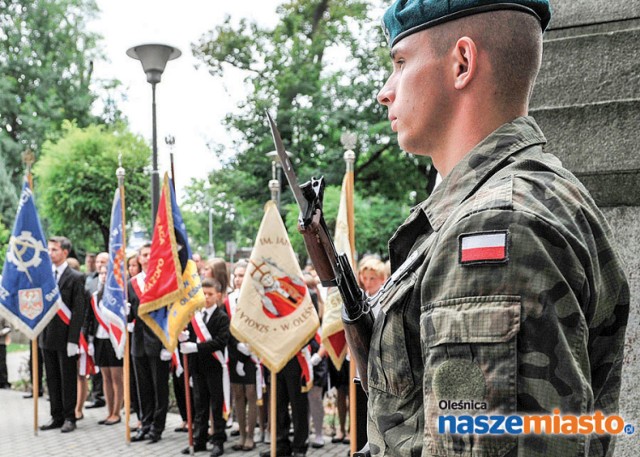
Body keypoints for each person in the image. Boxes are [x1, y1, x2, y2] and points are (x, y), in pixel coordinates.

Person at [363, 1, 630, 456]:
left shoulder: (492, 228)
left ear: (462, 63)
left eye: (401, 62)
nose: (385, 92)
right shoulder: (540, 191)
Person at [39, 236, 86, 433]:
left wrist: (73, 339)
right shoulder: (44, 276)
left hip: (66, 337)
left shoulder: (76, 277)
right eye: (49, 250)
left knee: (67, 379)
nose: (50, 253)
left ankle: (70, 417)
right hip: (47, 335)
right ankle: (56, 416)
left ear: (65, 252)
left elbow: (78, 311)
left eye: (54, 250)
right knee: (52, 378)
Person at [180, 277, 230, 456]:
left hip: (215, 368)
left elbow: (220, 342)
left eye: (210, 294)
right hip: (198, 368)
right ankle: (199, 440)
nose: (206, 297)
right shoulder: (195, 316)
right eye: (204, 294)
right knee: (200, 406)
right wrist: (185, 338)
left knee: (216, 407)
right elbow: (191, 338)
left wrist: (196, 347)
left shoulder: (222, 317)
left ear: (218, 295)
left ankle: (218, 441)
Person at [129, 243, 172, 444]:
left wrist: (167, 345)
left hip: (158, 341)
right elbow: (130, 315)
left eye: (149, 254)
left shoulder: (163, 282)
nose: (146, 258)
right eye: (143, 255)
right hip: (138, 342)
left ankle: (157, 427)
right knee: (143, 388)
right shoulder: (132, 283)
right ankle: (145, 425)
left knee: (159, 387)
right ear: (138, 258)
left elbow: (170, 316)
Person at [226, 260, 260, 451]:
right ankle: (242, 435)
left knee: (251, 393)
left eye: (242, 275)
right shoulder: (228, 300)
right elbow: (226, 330)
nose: (239, 279)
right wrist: (237, 346)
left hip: (252, 353)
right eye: (237, 276)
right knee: (237, 394)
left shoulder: (256, 298)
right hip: (234, 352)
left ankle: (251, 436)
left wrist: (249, 346)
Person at [89, 265, 124, 426]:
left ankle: (117, 412)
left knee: (117, 377)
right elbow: (91, 320)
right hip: (100, 339)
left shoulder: (119, 295)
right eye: (101, 273)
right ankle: (109, 411)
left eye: (106, 273)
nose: (103, 276)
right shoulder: (96, 296)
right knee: (106, 377)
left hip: (114, 340)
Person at [0, 317, 11, 389]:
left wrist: (1, 332)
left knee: (1, 362)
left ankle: (3, 381)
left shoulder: (3, 314)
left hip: (1, 342)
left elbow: (8, 328)